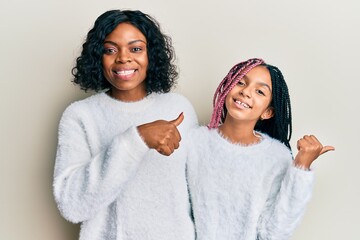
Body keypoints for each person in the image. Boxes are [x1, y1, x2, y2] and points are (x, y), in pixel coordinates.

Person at [53, 9, 198, 240]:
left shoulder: (179, 109)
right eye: (110, 50)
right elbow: (71, 205)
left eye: (136, 48)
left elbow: (199, 194)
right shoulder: (80, 116)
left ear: (151, 54)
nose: (123, 57)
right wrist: (136, 139)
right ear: (97, 57)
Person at [186, 58, 334, 240]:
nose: (246, 92)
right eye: (240, 82)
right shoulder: (194, 141)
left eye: (260, 91)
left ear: (268, 112)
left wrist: (302, 167)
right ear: (227, 87)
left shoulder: (276, 157)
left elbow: (274, 233)